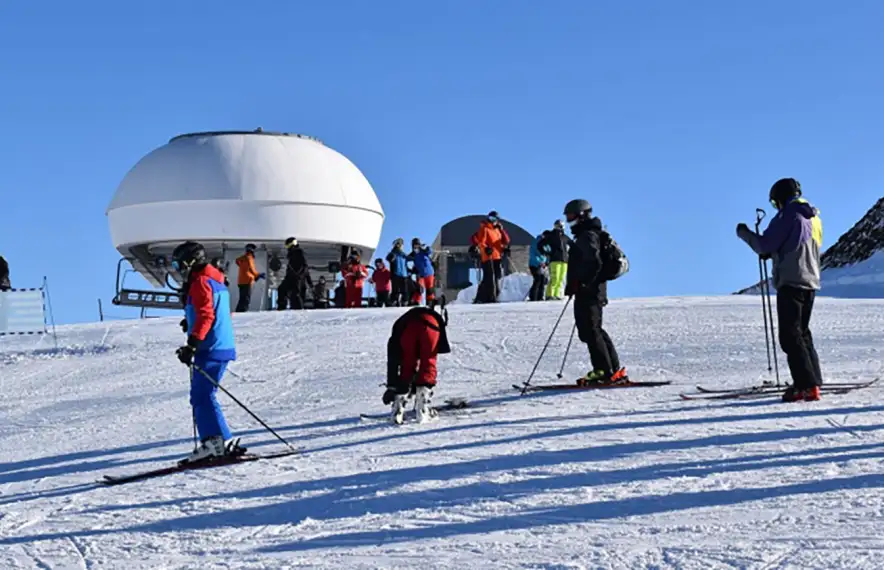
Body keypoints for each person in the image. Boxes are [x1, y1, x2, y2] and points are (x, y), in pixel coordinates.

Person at [736, 177, 824, 402]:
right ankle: (813, 381)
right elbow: (797, 244)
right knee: (802, 332)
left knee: (790, 335)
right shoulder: (812, 217)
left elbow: (764, 244)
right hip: (810, 279)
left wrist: (745, 233)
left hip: (791, 280)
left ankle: (805, 385)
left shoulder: (789, 215)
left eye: (775, 203)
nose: (776, 207)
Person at [171, 241, 238, 463]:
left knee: (202, 395)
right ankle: (221, 440)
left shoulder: (200, 281)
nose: (178, 269)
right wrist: (189, 322)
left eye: (178, 264)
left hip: (210, 347)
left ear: (191, 261)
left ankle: (214, 442)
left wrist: (192, 344)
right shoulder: (215, 279)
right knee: (204, 394)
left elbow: (206, 316)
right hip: (219, 344)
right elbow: (215, 312)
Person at [563, 199, 627, 385]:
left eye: (571, 216)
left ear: (582, 215)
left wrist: (582, 283)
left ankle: (604, 370)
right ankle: (612, 369)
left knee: (590, 330)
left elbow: (594, 262)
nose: (569, 220)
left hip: (589, 290)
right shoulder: (588, 234)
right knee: (593, 329)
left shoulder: (587, 236)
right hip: (593, 289)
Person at [384, 305, 451, 424]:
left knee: (407, 365)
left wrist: (392, 386)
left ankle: (397, 410)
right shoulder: (431, 317)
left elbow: (393, 362)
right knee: (428, 364)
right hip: (432, 326)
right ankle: (422, 411)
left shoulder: (396, 334)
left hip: (409, 329)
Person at [471, 211, 510, 303]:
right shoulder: (484, 228)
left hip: (497, 257)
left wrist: (504, 248)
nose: (491, 221)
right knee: (490, 277)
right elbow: (481, 242)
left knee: (496, 276)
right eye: (490, 218)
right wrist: (486, 248)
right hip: (488, 257)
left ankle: (483, 297)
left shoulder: (497, 230)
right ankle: (490, 297)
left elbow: (505, 241)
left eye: (494, 219)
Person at [539, 220, 573, 300]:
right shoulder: (551, 235)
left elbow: (572, 245)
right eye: (559, 226)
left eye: (562, 226)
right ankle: (549, 294)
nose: (561, 227)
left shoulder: (564, 237)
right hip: (555, 260)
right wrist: (546, 252)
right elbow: (540, 244)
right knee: (555, 277)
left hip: (564, 260)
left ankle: (556, 294)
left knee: (560, 279)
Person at [278, 237, 311, 310]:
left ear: (292, 245)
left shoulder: (298, 253)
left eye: (288, 246)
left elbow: (304, 267)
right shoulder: (292, 254)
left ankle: (298, 310)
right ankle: (282, 306)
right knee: (282, 289)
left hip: (296, 278)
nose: (287, 248)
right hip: (291, 277)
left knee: (295, 294)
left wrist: (301, 277)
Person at [234, 244, 264, 312]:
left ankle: (238, 311)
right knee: (246, 298)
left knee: (242, 298)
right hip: (247, 280)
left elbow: (238, 262)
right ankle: (242, 312)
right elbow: (252, 269)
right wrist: (259, 275)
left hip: (241, 281)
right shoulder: (249, 258)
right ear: (252, 250)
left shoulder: (242, 258)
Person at [407, 238, 436, 306]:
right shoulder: (413, 254)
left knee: (429, 289)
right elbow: (406, 258)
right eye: (414, 246)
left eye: (417, 245)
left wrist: (427, 248)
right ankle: (416, 302)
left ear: (419, 245)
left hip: (429, 273)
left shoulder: (424, 251)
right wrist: (410, 270)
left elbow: (430, 251)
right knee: (419, 289)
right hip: (420, 274)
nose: (416, 247)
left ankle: (430, 302)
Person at [386, 238, 409, 306]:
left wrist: (409, 271)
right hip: (395, 274)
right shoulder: (393, 253)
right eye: (398, 244)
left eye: (401, 244)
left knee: (404, 289)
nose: (400, 246)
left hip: (404, 274)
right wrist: (392, 255)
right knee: (395, 289)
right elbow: (388, 258)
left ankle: (404, 301)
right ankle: (394, 301)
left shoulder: (403, 255)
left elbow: (407, 262)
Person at [528, 233, 549, 301]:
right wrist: (539, 262)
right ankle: (533, 297)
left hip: (543, 265)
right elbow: (532, 254)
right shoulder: (535, 243)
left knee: (542, 280)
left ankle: (540, 297)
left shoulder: (546, 244)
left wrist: (546, 262)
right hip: (534, 265)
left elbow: (548, 253)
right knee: (537, 279)